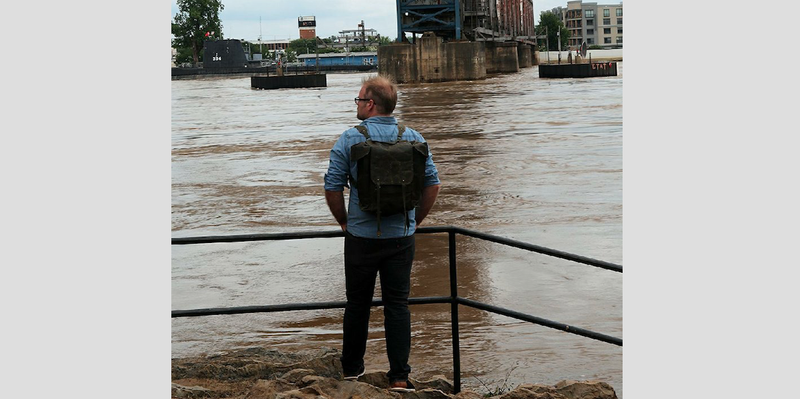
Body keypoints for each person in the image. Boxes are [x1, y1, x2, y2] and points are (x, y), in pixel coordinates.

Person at [323, 75, 441, 393]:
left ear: (371, 104)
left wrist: (344, 222)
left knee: (357, 305)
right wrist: (414, 221)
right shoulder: (414, 137)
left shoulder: (349, 139)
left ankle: (352, 373)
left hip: (361, 237)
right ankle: (399, 378)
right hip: (401, 238)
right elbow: (433, 185)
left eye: (359, 100)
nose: (358, 105)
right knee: (397, 306)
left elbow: (332, 188)